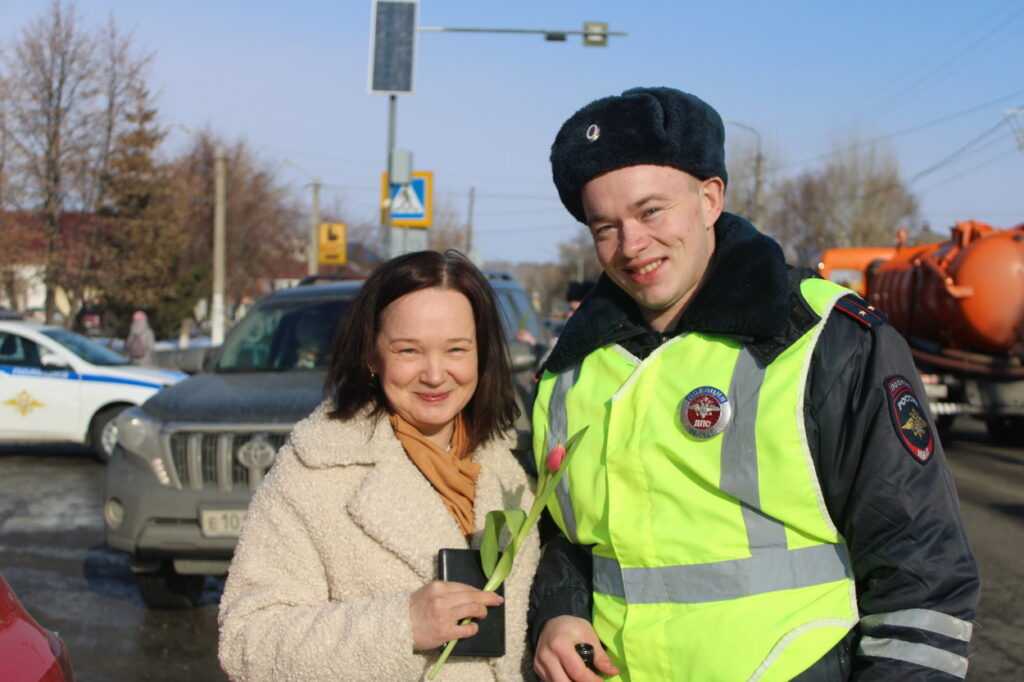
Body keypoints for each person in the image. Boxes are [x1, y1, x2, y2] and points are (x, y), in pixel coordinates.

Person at [528, 87, 979, 681]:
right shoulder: (570, 371)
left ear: (710, 198)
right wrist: (558, 614)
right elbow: (564, 536)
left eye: (651, 212)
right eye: (605, 226)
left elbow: (921, 569)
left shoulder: (823, 338)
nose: (631, 245)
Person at [219, 250, 540, 681]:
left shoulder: (510, 467)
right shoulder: (317, 471)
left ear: (481, 355)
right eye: (409, 350)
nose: (434, 373)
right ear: (372, 355)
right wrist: (401, 625)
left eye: (456, 349)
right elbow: (247, 641)